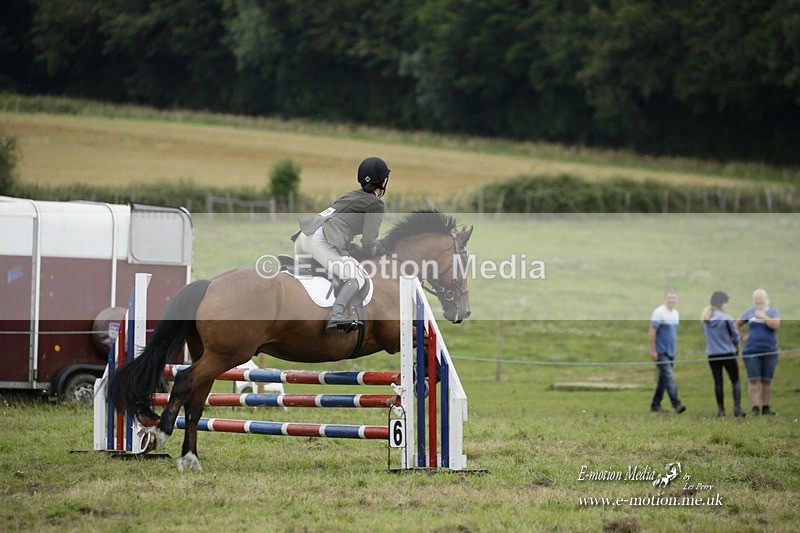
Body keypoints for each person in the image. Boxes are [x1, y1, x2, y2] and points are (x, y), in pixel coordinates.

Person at [292, 156, 390, 332]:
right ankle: (336, 315)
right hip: (320, 242)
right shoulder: (375, 203)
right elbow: (369, 243)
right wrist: (380, 249)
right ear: (382, 181)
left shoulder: (351, 194)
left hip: (303, 238)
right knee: (356, 277)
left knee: (321, 278)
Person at [736, 289, 781, 416]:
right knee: (754, 380)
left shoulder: (773, 311)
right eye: (756, 297)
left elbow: (775, 325)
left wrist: (764, 316)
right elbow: (736, 324)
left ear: (766, 298)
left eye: (760, 297)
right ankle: (755, 408)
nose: (758, 299)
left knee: (767, 380)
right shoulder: (749, 312)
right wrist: (742, 336)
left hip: (769, 350)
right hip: (751, 350)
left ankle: (766, 407)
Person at [701, 291, 745, 417]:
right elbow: (735, 335)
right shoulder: (727, 318)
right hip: (727, 353)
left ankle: (721, 410)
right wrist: (736, 346)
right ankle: (737, 409)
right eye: (726, 303)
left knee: (718, 382)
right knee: (735, 380)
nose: (727, 305)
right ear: (721, 304)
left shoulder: (705, 319)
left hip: (712, 355)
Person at [649, 289, 686, 414]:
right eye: (669, 298)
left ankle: (655, 404)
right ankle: (677, 404)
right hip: (661, 351)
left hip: (671, 352)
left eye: (673, 298)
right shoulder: (659, 312)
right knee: (669, 377)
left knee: (663, 380)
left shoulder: (675, 313)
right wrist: (653, 350)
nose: (671, 300)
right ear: (665, 298)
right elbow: (652, 331)